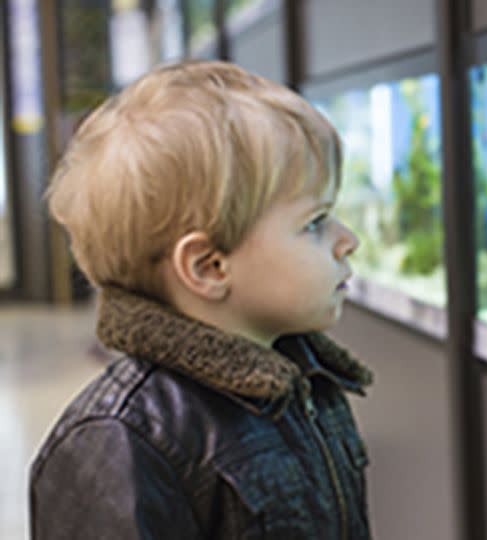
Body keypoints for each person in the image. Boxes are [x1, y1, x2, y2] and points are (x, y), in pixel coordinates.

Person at [30, 61, 372, 540]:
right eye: (314, 222)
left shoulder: (307, 382)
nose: (348, 240)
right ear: (208, 267)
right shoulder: (122, 441)